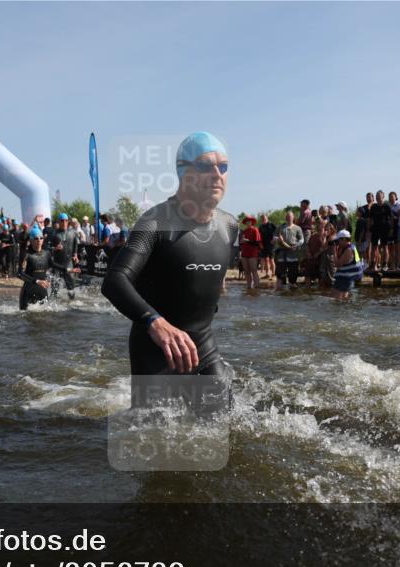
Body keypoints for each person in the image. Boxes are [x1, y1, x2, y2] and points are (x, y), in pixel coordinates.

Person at [101, 130, 238, 410]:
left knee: (226, 424)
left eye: (222, 166)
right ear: (184, 172)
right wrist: (156, 322)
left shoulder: (229, 226)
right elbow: (115, 280)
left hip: (203, 345)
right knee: (157, 440)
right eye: (205, 165)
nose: (216, 173)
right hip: (156, 351)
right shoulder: (155, 222)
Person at [18, 227, 55, 310]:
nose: (39, 240)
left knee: (45, 319)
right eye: (36, 238)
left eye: (41, 238)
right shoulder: (27, 255)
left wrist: (68, 269)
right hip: (28, 292)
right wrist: (37, 281)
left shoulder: (47, 254)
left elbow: (54, 266)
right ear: (31, 240)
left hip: (42, 292)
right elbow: (20, 274)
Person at [274, 210, 303, 289]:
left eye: (290, 216)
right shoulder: (280, 227)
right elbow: (274, 237)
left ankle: (291, 294)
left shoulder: (298, 228)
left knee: (293, 276)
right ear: (285, 218)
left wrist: (296, 245)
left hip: (293, 254)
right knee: (280, 276)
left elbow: (301, 239)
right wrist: (278, 239)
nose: (289, 218)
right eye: (287, 217)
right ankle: (280, 293)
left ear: (293, 217)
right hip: (281, 254)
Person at [330, 230, 362, 300]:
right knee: (338, 298)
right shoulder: (348, 247)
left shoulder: (349, 250)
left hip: (346, 278)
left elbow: (337, 264)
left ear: (344, 239)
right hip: (345, 276)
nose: (337, 242)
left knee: (337, 299)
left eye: (338, 240)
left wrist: (334, 251)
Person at [368, 190, 391, 271]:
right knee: (374, 247)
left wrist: (391, 228)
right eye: (377, 196)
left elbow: (391, 218)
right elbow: (370, 218)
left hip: (385, 229)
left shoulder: (387, 206)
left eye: (379, 196)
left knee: (385, 246)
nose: (378, 197)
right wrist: (369, 228)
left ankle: (385, 264)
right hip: (375, 229)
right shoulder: (373, 207)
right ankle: (373, 264)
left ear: (383, 197)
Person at [239, 216, 262, 289]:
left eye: (249, 221)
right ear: (245, 223)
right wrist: (241, 242)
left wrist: (247, 241)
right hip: (244, 252)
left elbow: (257, 243)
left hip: (253, 253)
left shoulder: (255, 230)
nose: (248, 222)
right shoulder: (244, 231)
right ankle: (249, 286)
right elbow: (241, 243)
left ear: (252, 222)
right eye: (247, 221)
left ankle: (257, 286)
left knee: (253, 269)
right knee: (246, 270)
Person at [258, 213, 276, 280]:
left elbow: (277, 233)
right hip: (263, 245)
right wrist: (260, 244)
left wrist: (274, 240)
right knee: (265, 260)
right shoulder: (261, 226)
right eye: (262, 219)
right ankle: (267, 274)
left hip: (271, 245)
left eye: (264, 219)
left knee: (271, 260)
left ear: (267, 218)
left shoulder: (272, 225)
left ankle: (273, 274)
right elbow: (258, 236)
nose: (263, 220)